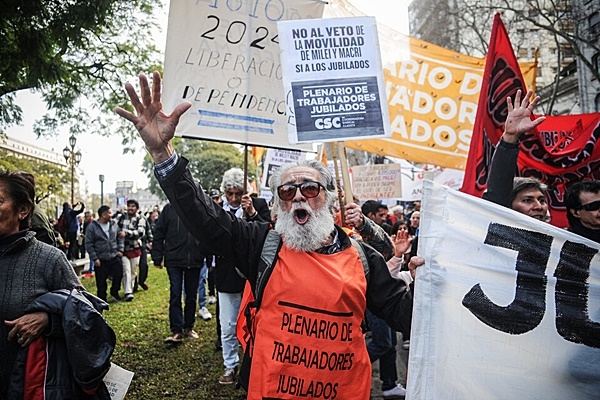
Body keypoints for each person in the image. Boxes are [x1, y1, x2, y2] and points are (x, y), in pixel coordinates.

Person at [115, 71, 423, 399]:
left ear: (329, 198)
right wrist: (163, 155)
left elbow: (406, 317)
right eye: (288, 191)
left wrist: (423, 287)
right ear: (278, 205)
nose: (299, 196)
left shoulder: (363, 259)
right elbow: (204, 218)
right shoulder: (261, 245)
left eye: (309, 187)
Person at [0, 170, 80, 397]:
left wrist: (48, 320)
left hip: (30, 385)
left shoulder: (50, 259)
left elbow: (87, 315)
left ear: (23, 210)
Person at [211, 167, 271, 384]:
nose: (234, 198)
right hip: (227, 275)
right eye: (230, 194)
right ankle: (230, 365)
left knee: (256, 323)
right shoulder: (216, 209)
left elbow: (269, 232)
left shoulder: (259, 205)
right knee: (227, 324)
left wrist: (252, 213)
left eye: (238, 193)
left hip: (254, 276)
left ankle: (253, 365)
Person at [151, 203, 204, 343]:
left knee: (191, 295)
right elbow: (159, 233)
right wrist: (157, 256)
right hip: (174, 259)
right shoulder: (169, 209)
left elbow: (206, 233)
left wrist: (207, 256)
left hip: (194, 258)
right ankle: (176, 330)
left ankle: (189, 326)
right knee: (175, 293)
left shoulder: (197, 208)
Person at [85, 205, 124, 302]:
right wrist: (95, 258)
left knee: (119, 274)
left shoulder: (114, 224)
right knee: (101, 282)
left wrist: (120, 250)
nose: (111, 215)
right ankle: (102, 299)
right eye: (109, 213)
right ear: (103, 215)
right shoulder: (92, 227)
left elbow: (120, 236)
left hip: (114, 255)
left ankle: (114, 291)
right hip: (100, 258)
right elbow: (89, 243)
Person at [116, 199, 147, 302]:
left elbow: (140, 232)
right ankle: (127, 292)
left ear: (137, 208)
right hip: (123, 249)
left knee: (133, 271)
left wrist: (127, 233)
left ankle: (131, 287)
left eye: (133, 206)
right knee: (126, 271)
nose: (130, 208)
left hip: (135, 249)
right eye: (129, 206)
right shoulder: (121, 218)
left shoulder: (140, 219)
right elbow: (116, 229)